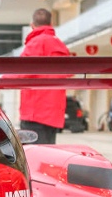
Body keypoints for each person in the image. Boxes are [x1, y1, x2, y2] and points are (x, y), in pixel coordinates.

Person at [14, 8, 70, 144]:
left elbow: (21, 72)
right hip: (53, 115)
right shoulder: (60, 46)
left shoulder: (34, 44)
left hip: (34, 114)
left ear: (32, 25)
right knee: (47, 156)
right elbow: (68, 72)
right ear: (51, 23)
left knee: (33, 158)